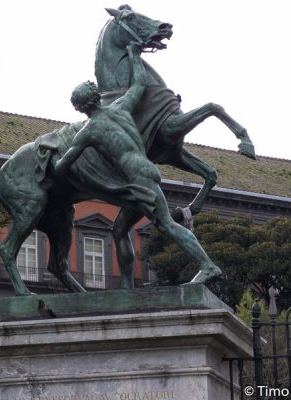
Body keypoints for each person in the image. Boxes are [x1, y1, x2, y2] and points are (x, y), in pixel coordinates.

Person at [55, 42, 221, 284]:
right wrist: (134, 56)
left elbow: (63, 165)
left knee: (166, 225)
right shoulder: (121, 107)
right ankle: (127, 288)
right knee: (120, 229)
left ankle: (208, 266)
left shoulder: (87, 132)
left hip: (136, 179)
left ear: (80, 108)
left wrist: (52, 159)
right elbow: (140, 84)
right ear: (96, 97)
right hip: (143, 171)